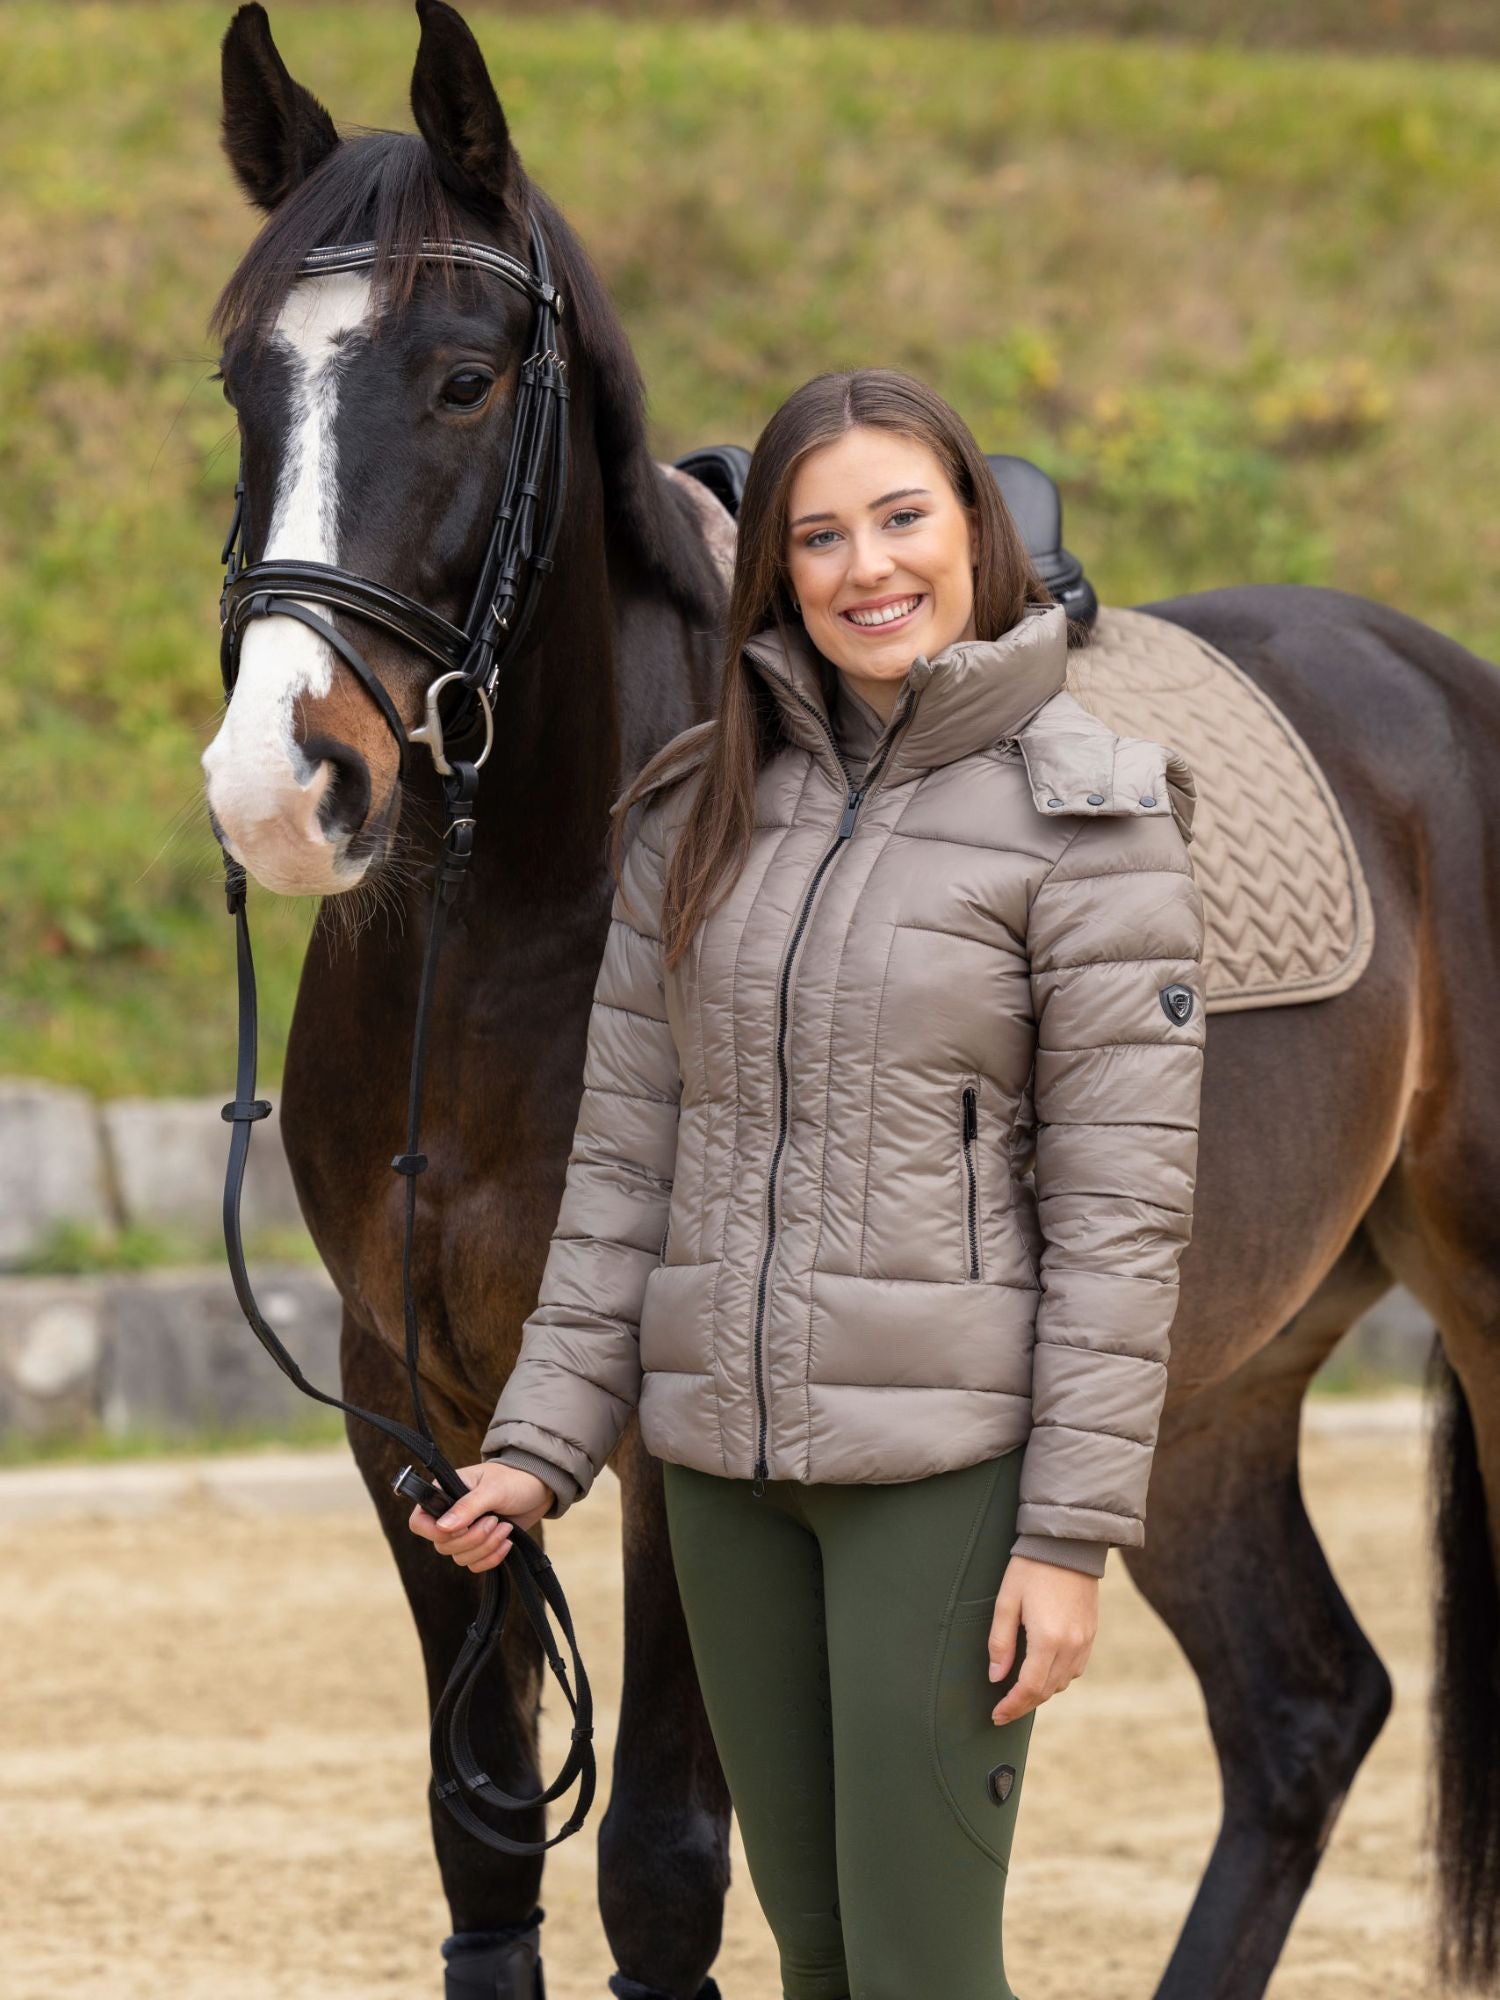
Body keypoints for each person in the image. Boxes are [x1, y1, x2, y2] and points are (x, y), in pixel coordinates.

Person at [409, 367, 1207, 1999]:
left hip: (944, 1479)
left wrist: (1065, 1538)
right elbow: (629, 1166)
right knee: (820, 1958)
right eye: (820, 535)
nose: (867, 568)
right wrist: (543, 1450)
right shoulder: (699, 811)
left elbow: (1125, 1231)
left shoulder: (1093, 828)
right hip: (721, 1482)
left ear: (975, 531)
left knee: (922, 1964)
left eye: (902, 518)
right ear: (771, 568)